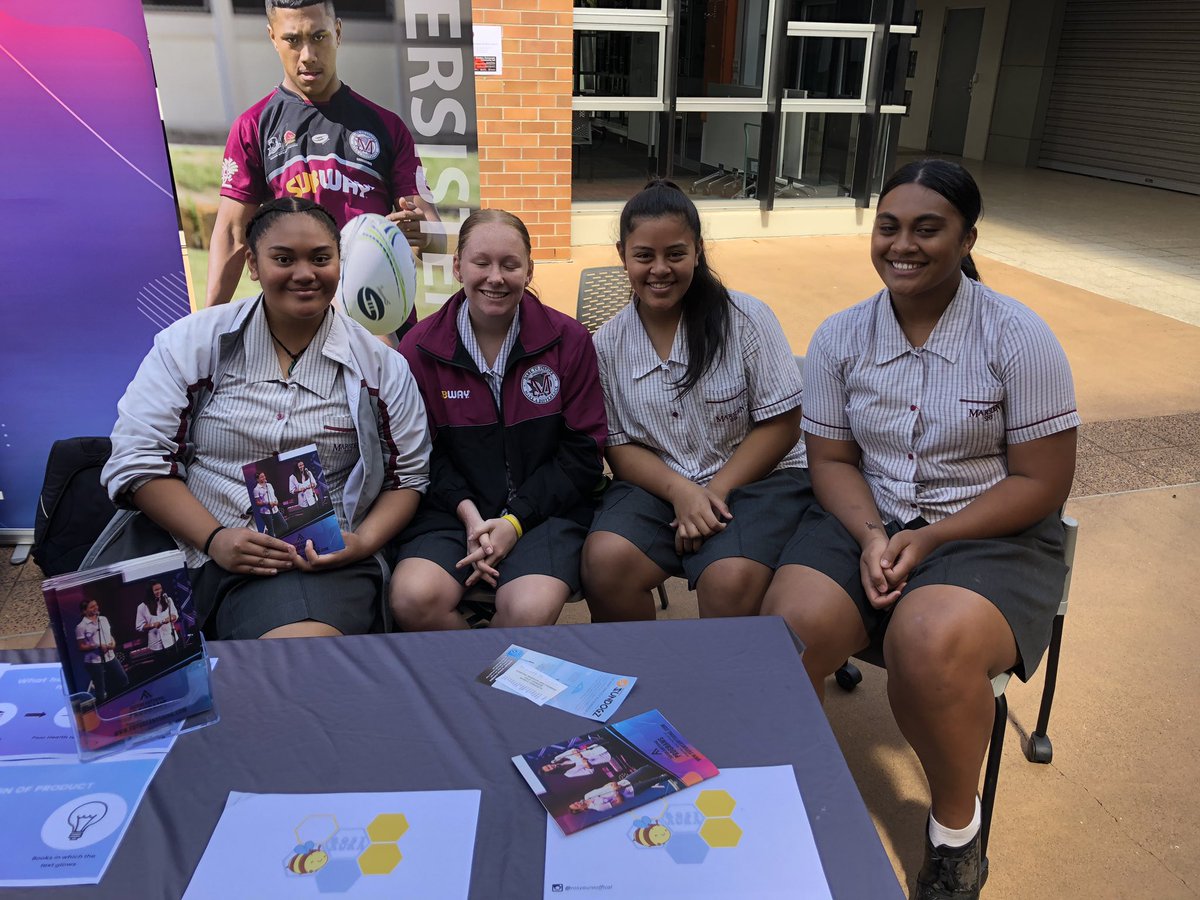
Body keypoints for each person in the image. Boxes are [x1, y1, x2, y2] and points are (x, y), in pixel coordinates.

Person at [762, 159, 1079, 900]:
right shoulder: (843, 336)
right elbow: (833, 458)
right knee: (786, 633)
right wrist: (873, 535)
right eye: (889, 226)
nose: (902, 245)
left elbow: (1042, 483)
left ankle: (954, 832)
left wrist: (932, 539)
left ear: (967, 236)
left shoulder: (1018, 337)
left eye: (928, 229)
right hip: (866, 514)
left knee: (925, 642)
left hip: (991, 530)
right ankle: (790, 793)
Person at [103, 197, 431, 640]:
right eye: (283, 259)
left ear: (340, 262)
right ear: (253, 265)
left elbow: (406, 476)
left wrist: (363, 542)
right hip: (180, 539)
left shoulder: (380, 367)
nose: (304, 273)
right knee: (83, 678)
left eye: (321, 258)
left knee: (294, 669)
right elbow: (139, 459)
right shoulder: (193, 344)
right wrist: (215, 537)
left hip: (306, 562)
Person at [581, 180, 813, 622]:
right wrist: (683, 492)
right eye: (644, 255)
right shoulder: (607, 344)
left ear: (698, 250)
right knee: (605, 561)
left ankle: (717, 688)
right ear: (622, 254)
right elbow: (618, 444)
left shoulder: (746, 319)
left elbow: (783, 424)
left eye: (676, 254)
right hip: (662, 483)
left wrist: (712, 493)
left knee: (728, 578)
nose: (659, 269)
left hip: (759, 479)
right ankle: (640, 681)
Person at [390, 209, 607, 629]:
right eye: (481, 262)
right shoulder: (418, 349)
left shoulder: (569, 341)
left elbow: (583, 454)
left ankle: (492, 689)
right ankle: (479, 686)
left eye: (510, 265)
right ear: (457, 267)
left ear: (529, 270)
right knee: (413, 599)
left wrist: (513, 521)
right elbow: (417, 455)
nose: (496, 277)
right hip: (452, 513)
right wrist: (469, 514)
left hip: (544, 512)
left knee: (527, 611)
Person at [206, 0, 440, 309]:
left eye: (319, 37)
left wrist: (422, 234)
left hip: (376, 315)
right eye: (292, 40)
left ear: (338, 33)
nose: (308, 56)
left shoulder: (386, 126)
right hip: (300, 315)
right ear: (273, 38)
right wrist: (205, 324)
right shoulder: (253, 126)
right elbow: (233, 236)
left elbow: (436, 239)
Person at [75, 599, 129, 703]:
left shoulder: (103, 619)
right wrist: (96, 646)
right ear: (84, 611)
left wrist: (113, 643)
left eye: (96, 605)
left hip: (110, 656)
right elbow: (81, 646)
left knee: (123, 679)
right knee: (100, 690)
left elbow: (109, 635)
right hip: (94, 662)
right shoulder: (81, 627)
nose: (95, 608)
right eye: (91, 607)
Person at [134, 582, 180, 656]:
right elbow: (139, 626)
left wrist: (170, 618)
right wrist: (153, 625)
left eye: (160, 589)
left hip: (172, 640)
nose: (159, 591)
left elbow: (175, 614)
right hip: (156, 645)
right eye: (156, 590)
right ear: (150, 592)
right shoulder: (142, 607)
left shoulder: (168, 600)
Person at [542, 743, 613, 778]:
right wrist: (585, 763)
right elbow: (590, 771)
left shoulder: (557, 758)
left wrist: (575, 751)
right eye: (549, 768)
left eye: (547, 765)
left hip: (597, 748)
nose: (550, 766)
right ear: (552, 772)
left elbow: (572, 750)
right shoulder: (568, 774)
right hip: (604, 756)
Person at [252, 470, 289, 536]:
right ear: (257, 479)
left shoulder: (269, 485)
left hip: (275, 509)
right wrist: (267, 503)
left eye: (264, 476)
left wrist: (276, 501)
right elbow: (257, 503)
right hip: (266, 512)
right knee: (271, 529)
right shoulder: (256, 489)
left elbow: (273, 495)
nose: (264, 477)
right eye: (262, 477)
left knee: (284, 525)